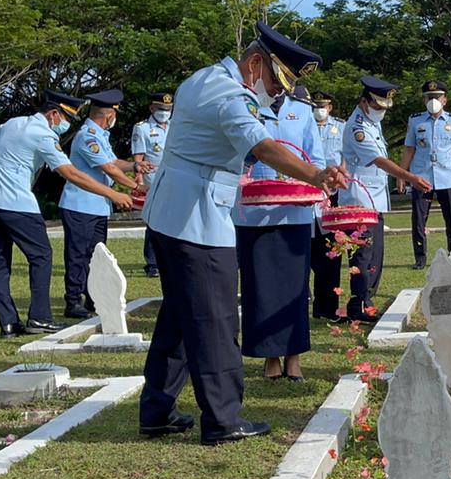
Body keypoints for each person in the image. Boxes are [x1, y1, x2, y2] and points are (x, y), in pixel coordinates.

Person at [138, 22, 346, 445]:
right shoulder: (231, 94)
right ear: (254, 63)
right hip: (196, 220)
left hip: (172, 211)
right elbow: (263, 146)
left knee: (178, 317)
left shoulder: (201, 78)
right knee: (214, 319)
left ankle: (157, 409)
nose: (276, 92)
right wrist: (316, 174)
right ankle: (222, 418)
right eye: (274, 80)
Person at [0, 91, 133, 338]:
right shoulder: (44, 136)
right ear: (54, 114)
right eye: (66, 118)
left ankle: (8, 323)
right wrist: (114, 195)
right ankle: (39, 317)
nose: (66, 124)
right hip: (14, 203)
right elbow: (72, 174)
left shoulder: (13, 123)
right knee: (42, 255)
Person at [234, 84, 326, 382]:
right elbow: (234, 156)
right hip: (254, 211)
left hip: (294, 211)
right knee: (259, 286)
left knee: (295, 288)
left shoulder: (301, 111)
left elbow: (317, 160)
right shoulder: (244, 108)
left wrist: (310, 181)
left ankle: (294, 355)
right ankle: (269, 356)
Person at [342, 76, 432, 321]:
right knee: (363, 255)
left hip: (373, 200)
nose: (381, 111)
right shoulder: (358, 128)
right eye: (378, 106)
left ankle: (367, 301)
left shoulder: (372, 123)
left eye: (384, 107)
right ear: (364, 102)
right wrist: (410, 176)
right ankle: (358, 305)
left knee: (376, 254)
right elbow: (379, 161)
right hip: (359, 200)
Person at [59, 90, 151, 320]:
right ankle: (73, 301)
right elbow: (107, 169)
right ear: (108, 116)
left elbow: (113, 162)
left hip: (97, 206)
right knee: (78, 254)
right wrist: (135, 187)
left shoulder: (99, 135)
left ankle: (94, 297)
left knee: (96, 255)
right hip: (80, 204)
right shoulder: (87, 136)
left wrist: (134, 167)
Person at [400, 81, 451, 270]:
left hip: (448, 177)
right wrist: (402, 175)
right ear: (424, 100)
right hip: (422, 177)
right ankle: (420, 258)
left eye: (437, 97)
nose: (433, 100)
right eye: (429, 97)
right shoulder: (416, 121)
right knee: (419, 221)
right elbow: (409, 149)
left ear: (444, 100)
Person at [310, 91, 346, 321]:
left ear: (330, 107)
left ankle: (329, 307)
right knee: (310, 253)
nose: (319, 109)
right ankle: (316, 306)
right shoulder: (305, 125)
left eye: (322, 105)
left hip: (332, 195)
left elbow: (345, 156)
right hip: (307, 190)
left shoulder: (340, 127)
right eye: (315, 105)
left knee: (331, 253)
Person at [132, 92, 173, 278]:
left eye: (168, 109)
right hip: (153, 179)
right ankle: (152, 263)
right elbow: (138, 158)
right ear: (152, 108)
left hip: (174, 178)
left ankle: (170, 258)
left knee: (174, 220)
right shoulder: (142, 128)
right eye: (161, 109)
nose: (165, 112)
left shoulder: (176, 126)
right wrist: (138, 181)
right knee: (154, 221)